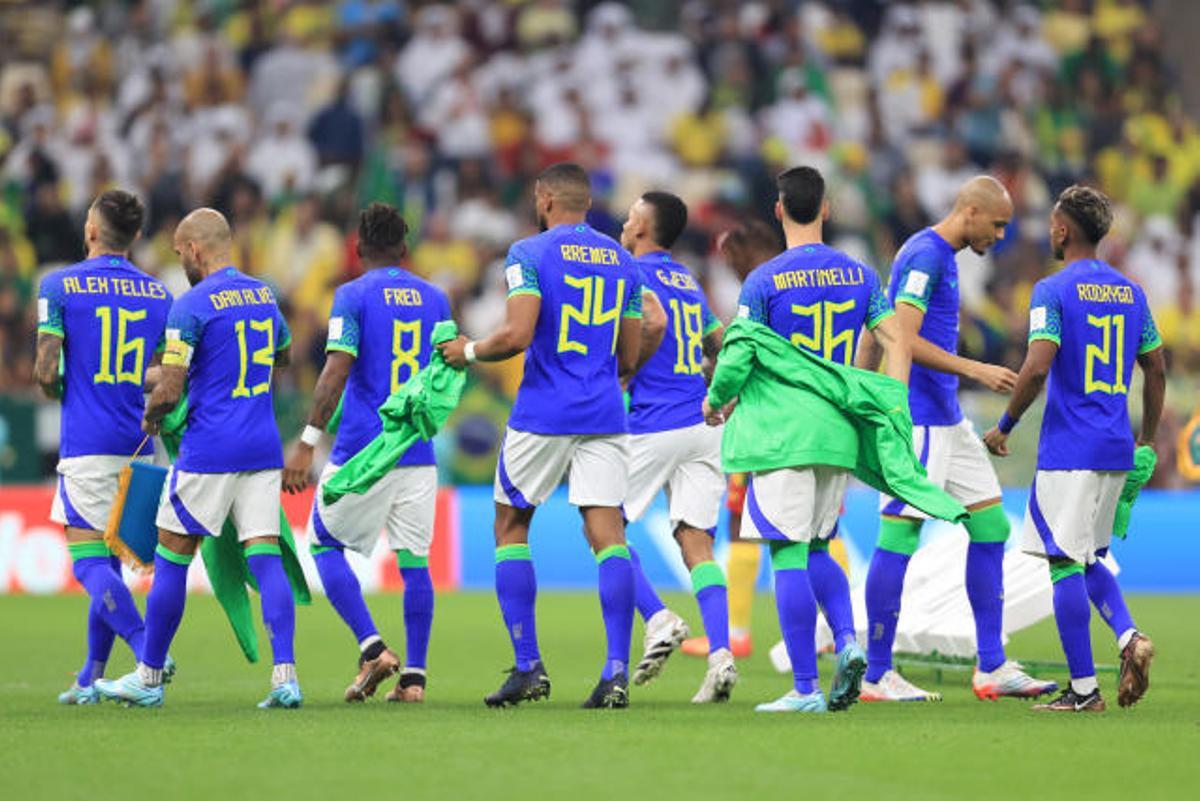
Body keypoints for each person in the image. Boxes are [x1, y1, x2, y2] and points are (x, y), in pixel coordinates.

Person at [439, 163, 643, 709]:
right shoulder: (623, 261)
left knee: (510, 526)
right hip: (604, 413)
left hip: (544, 413)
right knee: (608, 534)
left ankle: (528, 665)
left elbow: (517, 335)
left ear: (545, 197)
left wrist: (469, 351)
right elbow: (630, 353)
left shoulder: (527, 254)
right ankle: (616, 672)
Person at [708, 165, 910, 713]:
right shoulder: (861, 274)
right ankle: (846, 641)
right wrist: (891, 401)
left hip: (783, 433)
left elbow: (741, 350)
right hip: (839, 430)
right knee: (822, 543)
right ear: (826, 209)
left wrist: (717, 399)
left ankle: (804, 688)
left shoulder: (764, 280)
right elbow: (896, 340)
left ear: (778, 210)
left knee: (788, 552)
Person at [856, 176, 1057, 702]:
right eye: (997, 224)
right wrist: (976, 368)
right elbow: (900, 335)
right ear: (969, 211)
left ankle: (990, 665)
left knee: (990, 526)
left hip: (948, 419)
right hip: (919, 419)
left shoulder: (936, 255)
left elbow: (874, 325)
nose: (1001, 235)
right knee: (899, 536)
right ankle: (877, 672)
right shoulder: (926, 256)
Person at [96, 209, 298, 709]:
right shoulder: (263, 294)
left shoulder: (191, 305)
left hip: (211, 449)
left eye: (179, 252)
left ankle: (147, 677)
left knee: (172, 555)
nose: (180, 260)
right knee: (265, 554)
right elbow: (285, 355)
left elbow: (169, 390)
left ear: (193, 249)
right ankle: (286, 678)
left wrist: (152, 415)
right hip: (262, 446)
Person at [983, 185, 1164, 712]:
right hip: (1115, 447)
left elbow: (1037, 365)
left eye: (1052, 223)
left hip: (1070, 448)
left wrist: (1005, 425)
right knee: (1092, 557)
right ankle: (1129, 637)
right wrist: (1146, 441)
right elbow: (1155, 367)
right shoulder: (1132, 293)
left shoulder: (1052, 291)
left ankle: (1084, 690)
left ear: (1062, 230)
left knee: (1063, 562)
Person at [283, 203, 452, 704]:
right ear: (405, 249)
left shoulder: (352, 294)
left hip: (363, 449)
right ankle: (415, 680)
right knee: (415, 563)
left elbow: (336, 369)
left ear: (358, 250)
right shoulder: (436, 299)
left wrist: (307, 443)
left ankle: (372, 645)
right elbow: (445, 375)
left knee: (323, 545)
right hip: (417, 452)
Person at [35, 189, 172, 704]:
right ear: (135, 238)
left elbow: (46, 375)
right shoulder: (159, 294)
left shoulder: (59, 286)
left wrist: (72, 383)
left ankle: (146, 652)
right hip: (140, 444)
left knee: (87, 562)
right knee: (111, 563)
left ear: (92, 230)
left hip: (87, 442)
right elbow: (165, 375)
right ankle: (91, 676)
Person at [616, 191, 736, 703]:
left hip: (655, 422)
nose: (623, 222)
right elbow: (722, 341)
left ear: (643, 226)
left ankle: (658, 617)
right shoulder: (686, 280)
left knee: (603, 524)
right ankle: (722, 655)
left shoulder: (629, 272)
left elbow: (648, 326)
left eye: (629, 216)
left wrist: (623, 374)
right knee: (698, 543)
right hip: (704, 424)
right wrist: (724, 392)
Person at [680, 219, 782, 660]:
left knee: (745, 527)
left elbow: (752, 357)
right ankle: (835, 628)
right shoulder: (793, 286)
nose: (731, 268)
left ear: (749, 250)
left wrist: (719, 388)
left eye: (732, 258)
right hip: (808, 425)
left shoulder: (761, 291)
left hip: (764, 425)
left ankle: (737, 630)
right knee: (820, 523)